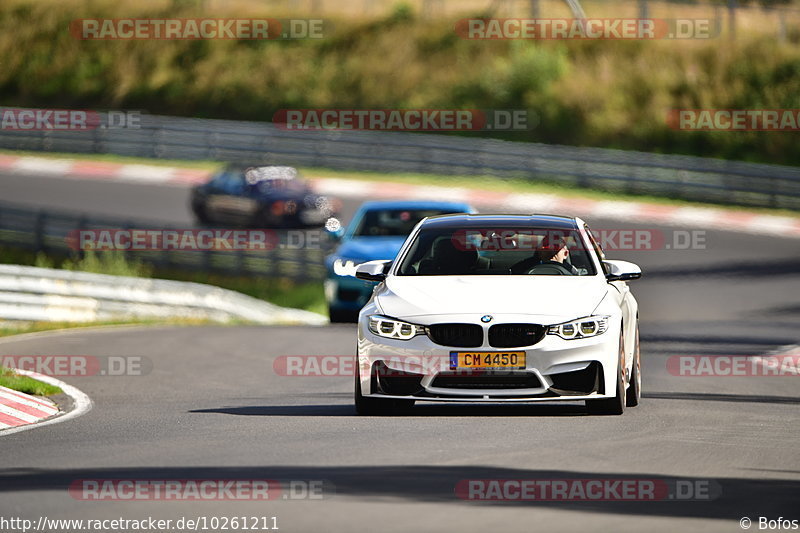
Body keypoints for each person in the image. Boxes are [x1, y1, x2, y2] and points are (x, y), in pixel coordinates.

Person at [511, 234, 579, 275]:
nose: (551, 253)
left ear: (565, 253)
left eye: (555, 250)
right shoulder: (522, 268)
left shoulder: (573, 272)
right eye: (547, 250)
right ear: (539, 252)